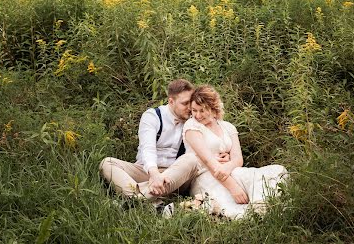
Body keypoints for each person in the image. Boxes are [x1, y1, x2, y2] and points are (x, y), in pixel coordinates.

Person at [100, 79, 228, 201]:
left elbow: (203, 146)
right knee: (107, 163)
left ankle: (138, 198)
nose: (190, 108)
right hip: (147, 171)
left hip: (178, 174)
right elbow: (147, 148)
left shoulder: (194, 120)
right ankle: (141, 198)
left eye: (190, 103)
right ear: (171, 101)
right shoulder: (153, 116)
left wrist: (217, 157)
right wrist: (154, 175)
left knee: (190, 159)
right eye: (184, 103)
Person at [183, 85, 287, 219]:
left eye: (202, 110)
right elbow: (208, 161)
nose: (197, 115)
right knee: (231, 206)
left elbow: (238, 160)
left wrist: (227, 166)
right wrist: (233, 187)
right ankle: (254, 214)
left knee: (274, 172)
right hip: (205, 176)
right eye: (194, 110)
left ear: (214, 109)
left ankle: (261, 207)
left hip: (231, 171)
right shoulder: (192, 126)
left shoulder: (227, 126)